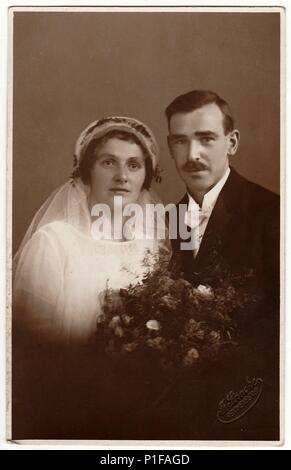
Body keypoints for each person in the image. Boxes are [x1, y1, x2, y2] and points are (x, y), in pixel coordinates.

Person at [12, 116, 171, 439]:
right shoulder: (53, 243)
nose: (122, 176)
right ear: (86, 173)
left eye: (134, 165)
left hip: (139, 410)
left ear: (145, 178)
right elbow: (32, 352)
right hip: (69, 409)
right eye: (108, 162)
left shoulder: (151, 247)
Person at [165, 90, 280, 440]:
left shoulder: (273, 214)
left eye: (206, 139)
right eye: (180, 141)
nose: (192, 154)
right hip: (182, 414)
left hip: (258, 414)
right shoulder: (167, 218)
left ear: (232, 142)